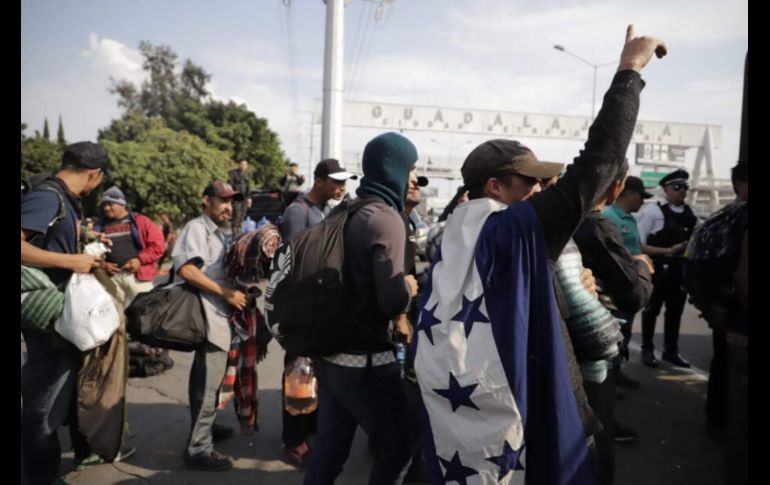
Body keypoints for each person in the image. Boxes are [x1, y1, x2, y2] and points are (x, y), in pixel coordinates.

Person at [413, 25, 667, 484]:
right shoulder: (514, 229)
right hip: (522, 405)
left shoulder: (452, 232)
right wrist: (629, 71)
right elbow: (600, 162)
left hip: (463, 408)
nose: (538, 188)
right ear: (495, 188)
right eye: (528, 180)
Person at [303, 132, 419, 485]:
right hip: (366, 361)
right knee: (398, 452)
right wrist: (409, 289)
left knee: (331, 449)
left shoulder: (348, 210)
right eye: (411, 168)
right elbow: (390, 301)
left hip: (331, 353)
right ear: (394, 169)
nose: (414, 178)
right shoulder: (386, 219)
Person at [20, 141, 118, 484]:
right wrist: (70, 261)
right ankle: (38, 475)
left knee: (58, 393)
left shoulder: (64, 200)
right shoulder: (48, 197)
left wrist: (88, 258)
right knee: (43, 405)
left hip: (60, 313)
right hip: (44, 314)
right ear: (95, 175)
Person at [278, 158, 357, 466]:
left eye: (344, 181)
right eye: (336, 181)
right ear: (319, 180)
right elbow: (293, 265)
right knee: (297, 375)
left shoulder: (326, 212)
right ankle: (293, 441)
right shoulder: (298, 212)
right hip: (301, 312)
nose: (341, 186)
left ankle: (308, 429)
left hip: (323, 310)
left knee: (318, 376)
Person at [171, 180, 248, 471]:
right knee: (207, 384)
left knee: (206, 380)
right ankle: (198, 448)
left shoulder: (218, 233)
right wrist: (226, 293)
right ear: (206, 200)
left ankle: (206, 428)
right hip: (207, 316)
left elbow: (215, 272)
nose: (229, 207)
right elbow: (186, 268)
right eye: (223, 201)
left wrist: (236, 288)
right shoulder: (196, 228)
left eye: (232, 202)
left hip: (218, 315)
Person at [637, 169, 697, 368]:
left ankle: (671, 351)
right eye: (677, 187)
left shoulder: (690, 213)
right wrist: (668, 250)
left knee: (675, 312)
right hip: (657, 269)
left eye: (685, 188)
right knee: (651, 310)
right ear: (666, 189)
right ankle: (647, 349)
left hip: (678, 270)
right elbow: (640, 244)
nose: (682, 191)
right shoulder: (653, 211)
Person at [602, 175, 654, 388]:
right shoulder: (608, 217)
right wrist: (636, 260)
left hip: (633, 284)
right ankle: (607, 381)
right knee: (612, 332)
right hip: (616, 285)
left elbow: (637, 248)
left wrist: (667, 251)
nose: (642, 202)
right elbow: (608, 254)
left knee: (625, 332)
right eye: (641, 197)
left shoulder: (630, 219)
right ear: (629, 193)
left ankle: (617, 373)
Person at [94, 186, 165, 309]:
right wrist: (104, 265)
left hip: (138, 277)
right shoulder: (99, 226)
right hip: (111, 278)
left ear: (122, 204)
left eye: (110, 204)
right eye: (104, 205)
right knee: (112, 317)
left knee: (146, 312)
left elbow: (158, 245)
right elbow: (92, 250)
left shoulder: (140, 221)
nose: (106, 208)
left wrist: (140, 260)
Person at [228, 159, 252, 236]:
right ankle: (234, 231)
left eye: (245, 165)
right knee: (236, 213)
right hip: (236, 196)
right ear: (239, 164)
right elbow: (230, 185)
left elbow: (248, 187)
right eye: (242, 164)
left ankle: (239, 230)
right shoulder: (233, 173)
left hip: (244, 197)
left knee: (242, 214)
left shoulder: (247, 174)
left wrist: (249, 198)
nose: (244, 166)